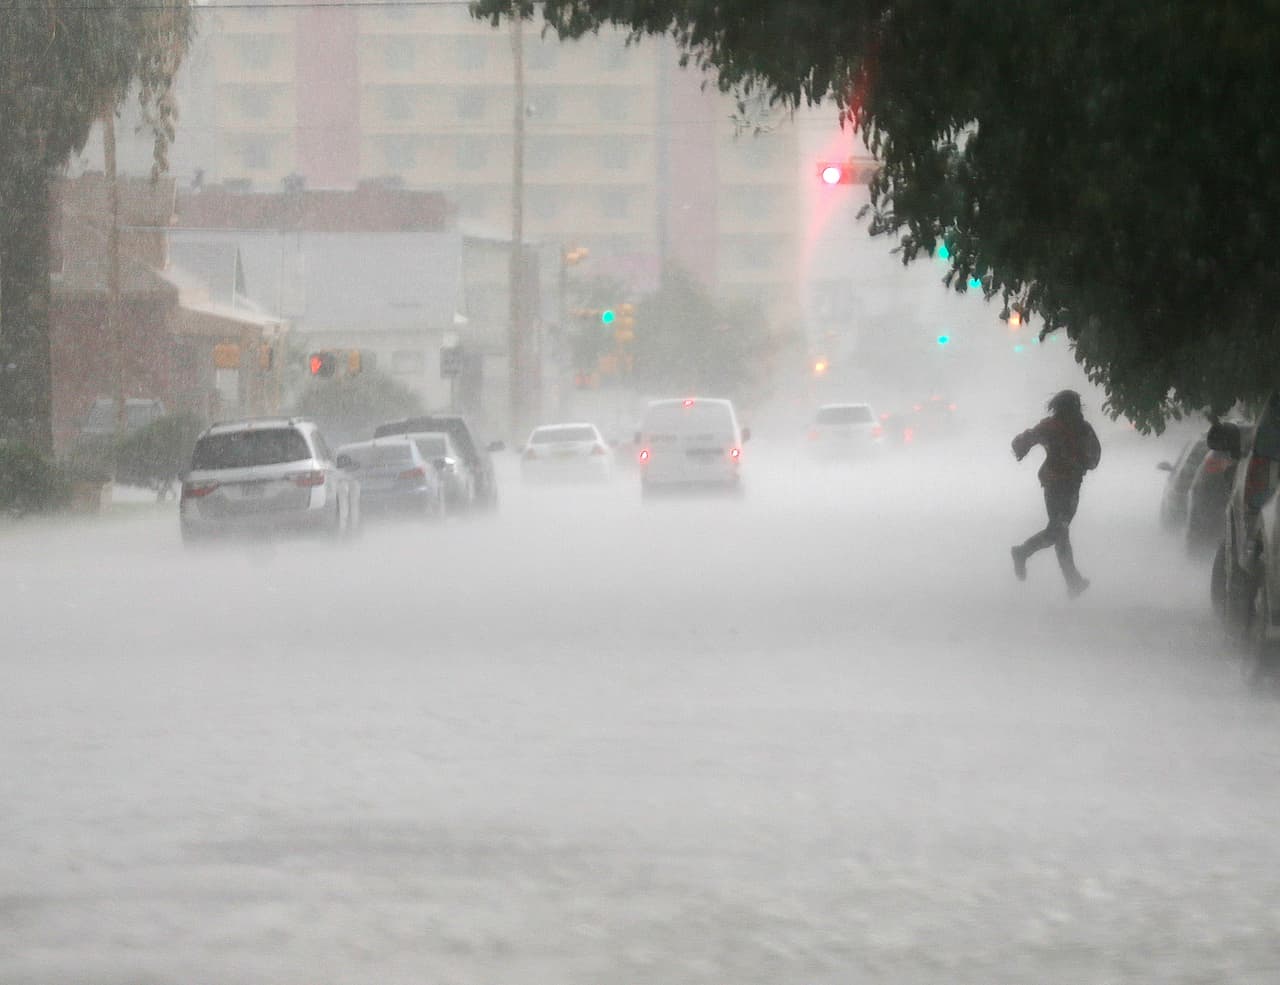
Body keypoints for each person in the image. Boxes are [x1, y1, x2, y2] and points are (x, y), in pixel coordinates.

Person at [1010, 389, 1102, 598]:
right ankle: (1023, 552)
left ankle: (1073, 581)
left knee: (1060, 530)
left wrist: (1021, 448)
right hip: (1065, 484)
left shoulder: (1052, 426)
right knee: (1059, 528)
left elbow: (1025, 440)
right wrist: (1083, 463)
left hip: (1054, 482)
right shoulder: (1080, 428)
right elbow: (1094, 455)